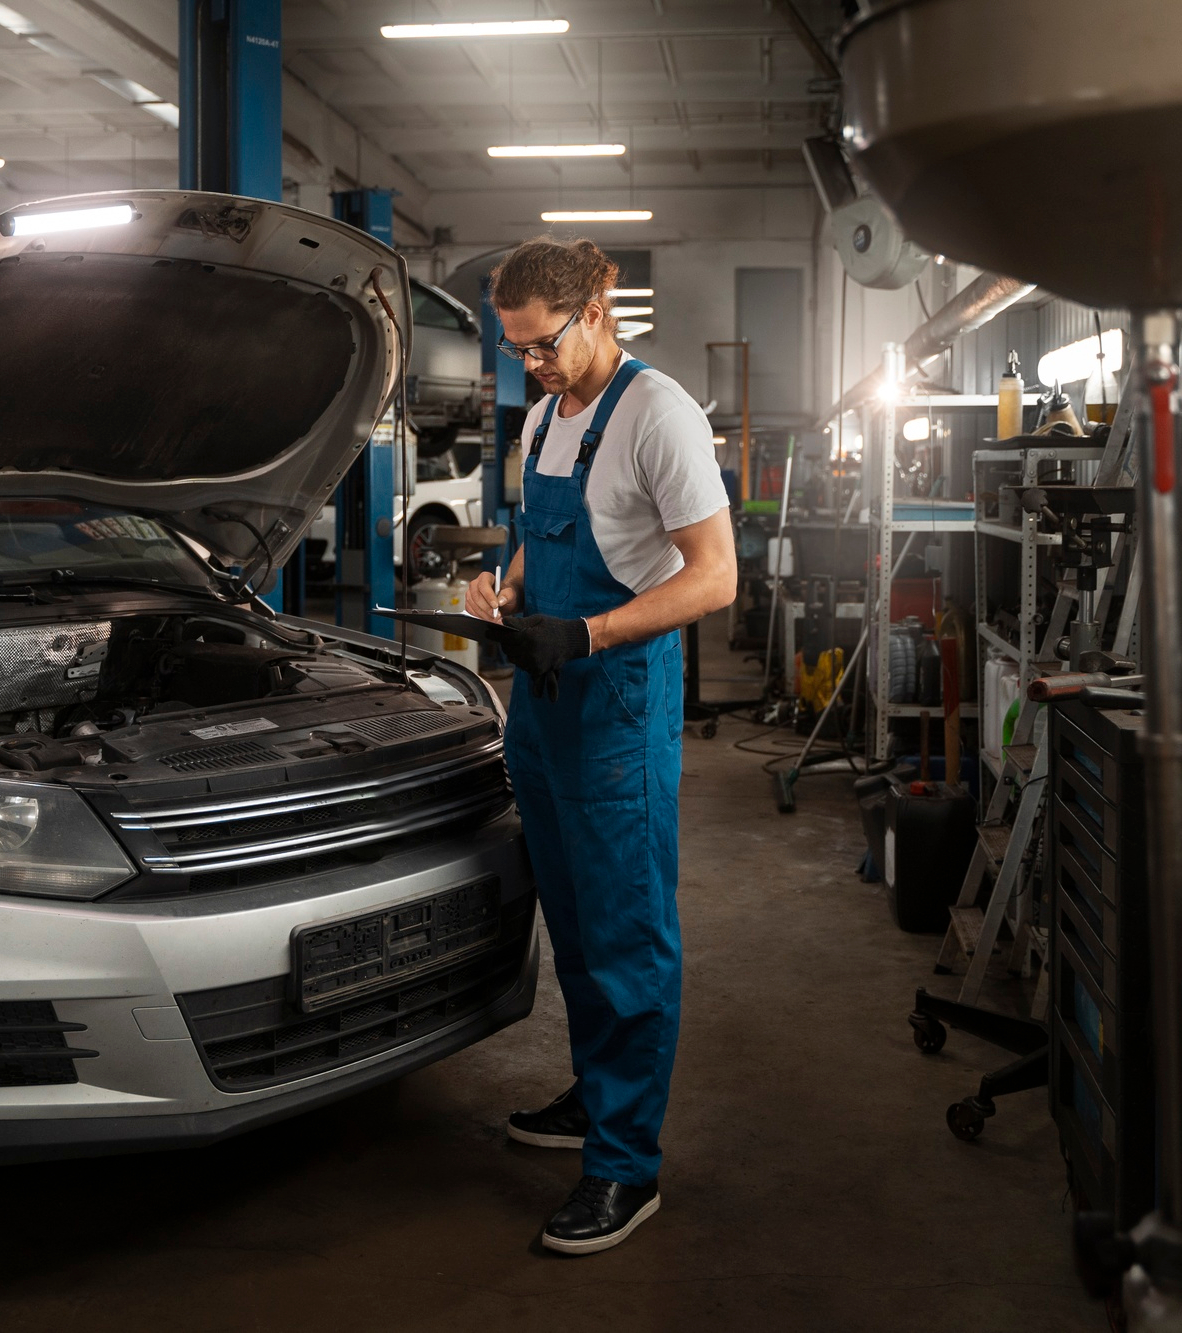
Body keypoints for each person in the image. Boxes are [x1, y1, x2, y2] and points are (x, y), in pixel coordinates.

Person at [465, 238, 736, 1255]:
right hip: (541, 700)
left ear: (593, 310)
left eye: (541, 346)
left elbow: (714, 579)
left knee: (625, 929)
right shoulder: (543, 413)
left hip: (614, 693)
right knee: (569, 916)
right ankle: (596, 1092)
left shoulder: (655, 411)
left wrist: (582, 632)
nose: (529, 367)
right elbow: (543, 530)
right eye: (516, 351)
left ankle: (626, 1165)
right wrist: (505, 590)